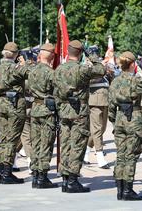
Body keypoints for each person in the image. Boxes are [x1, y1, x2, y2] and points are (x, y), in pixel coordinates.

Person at [53, 40, 105, 193]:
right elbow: (100, 70)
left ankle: (65, 178)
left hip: (63, 110)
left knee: (66, 144)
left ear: (68, 52)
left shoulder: (59, 69)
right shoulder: (82, 69)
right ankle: (72, 180)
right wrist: (92, 56)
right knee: (78, 145)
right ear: (81, 53)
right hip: (79, 112)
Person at [108, 51, 142, 201]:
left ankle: (119, 189)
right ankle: (127, 191)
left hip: (119, 118)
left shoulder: (115, 81)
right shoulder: (136, 80)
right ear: (132, 64)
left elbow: (111, 104)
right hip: (134, 119)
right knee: (131, 156)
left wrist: (113, 120)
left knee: (120, 155)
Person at [0, 42, 30, 184]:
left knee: (4, 138)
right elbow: (30, 73)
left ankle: (3, 170)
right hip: (15, 108)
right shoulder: (15, 68)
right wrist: (24, 62)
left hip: (2, 107)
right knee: (12, 140)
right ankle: (6, 173)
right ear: (15, 54)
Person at [28, 43, 58, 189]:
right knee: (46, 144)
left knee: (36, 143)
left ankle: (35, 174)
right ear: (52, 56)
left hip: (35, 109)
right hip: (47, 110)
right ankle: (42, 177)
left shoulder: (32, 71)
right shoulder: (51, 73)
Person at [85, 46, 112, 169]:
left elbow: (112, 77)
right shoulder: (87, 66)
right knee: (96, 129)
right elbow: (87, 81)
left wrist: (109, 71)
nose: (96, 56)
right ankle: (100, 156)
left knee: (101, 129)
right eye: (94, 54)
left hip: (105, 100)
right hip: (94, 100)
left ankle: (85, 152)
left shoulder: (102, 65)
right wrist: (101, 70)